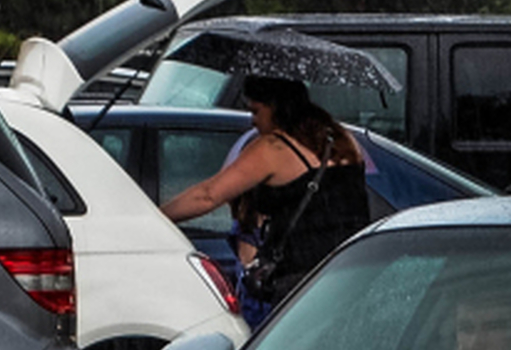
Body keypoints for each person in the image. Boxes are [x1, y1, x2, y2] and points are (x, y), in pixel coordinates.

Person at [158, 75, 368, 326]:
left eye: (256, 111)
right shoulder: (342, 138)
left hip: (301, 278)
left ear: (277, 106)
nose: (253, 121)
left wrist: (154, 216)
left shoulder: (273, 147)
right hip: (353, 269)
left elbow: (208, 195)